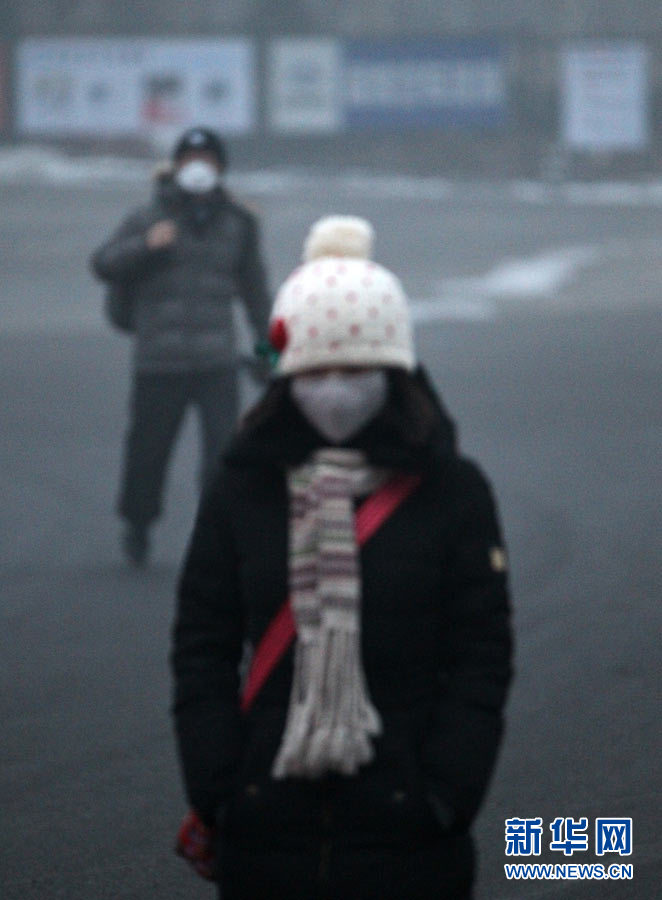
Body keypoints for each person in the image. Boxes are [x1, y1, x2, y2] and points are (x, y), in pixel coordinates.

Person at [171, 216, 513, 899]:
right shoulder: (244, 487)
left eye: (355, 369)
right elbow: (201, 647)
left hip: (410, 836)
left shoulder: (451, 490)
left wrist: (445, 795)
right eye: (316, 369)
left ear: (394, 371)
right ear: (286, 375)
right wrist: (220, 789)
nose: (334, 388)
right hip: (265, 830)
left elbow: (480, 656)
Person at [90, 126, 271, 565]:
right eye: (190, 161)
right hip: (159, 361)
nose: (199, 170)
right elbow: (103, 263)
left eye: (207, 161)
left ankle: (215, 537)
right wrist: (145, 246)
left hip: (217, 361)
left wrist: (267, 349)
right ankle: (138, 522)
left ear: (221, 168)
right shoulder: (147, 218)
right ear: (175, 168)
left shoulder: (239, 224)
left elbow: (255, 292)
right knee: (147, 455)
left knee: (221, 459)